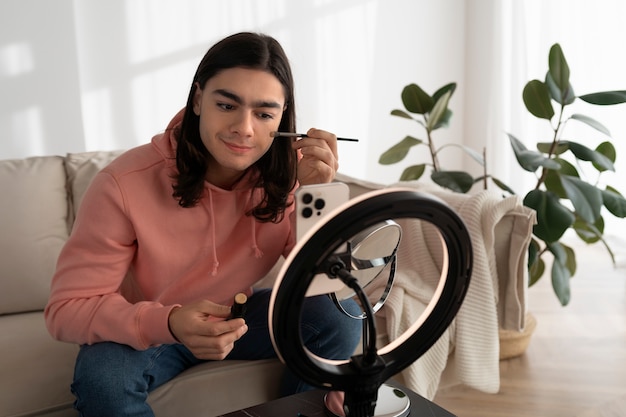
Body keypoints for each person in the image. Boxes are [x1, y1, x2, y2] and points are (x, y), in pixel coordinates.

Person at [44, 32, 361, 417]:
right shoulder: (123, 184)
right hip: (148, 326)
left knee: (339, 320)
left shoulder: (288, 177)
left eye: (264, 113)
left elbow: (326, 284)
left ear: (282, 118)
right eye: (227, 105)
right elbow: (66, 309)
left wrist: (318, 196)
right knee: (104, 381)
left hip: (237, 318)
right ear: (198, 99)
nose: (244, 128)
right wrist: (170, 322)